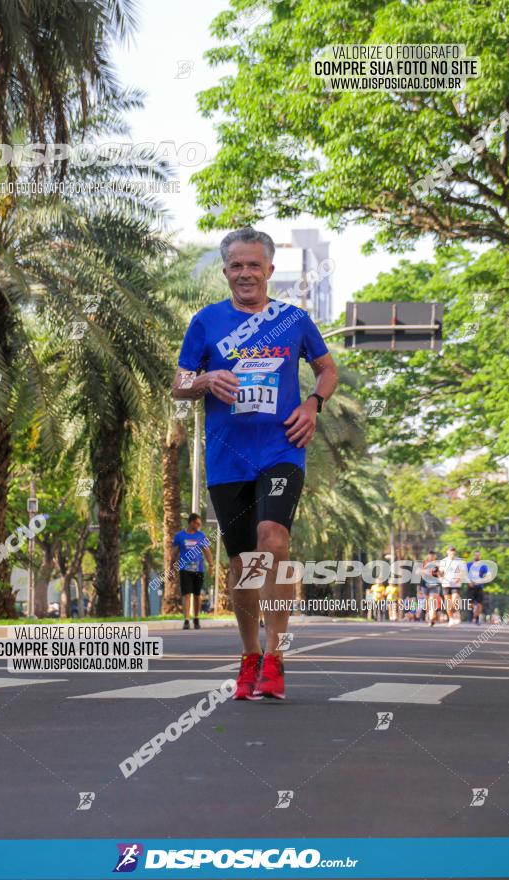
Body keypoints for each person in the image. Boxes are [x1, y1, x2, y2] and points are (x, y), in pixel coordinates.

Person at [172, 227, 338, 699]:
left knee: (274, 541)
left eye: (254, 265)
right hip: (228, 457)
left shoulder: (294, 319)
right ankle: (249, 655)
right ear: (225, 272)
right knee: (243, 563)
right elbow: (179, 383)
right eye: (236, 266)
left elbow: (327, 368)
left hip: (282, 448)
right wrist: (205, 380)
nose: (245, 273)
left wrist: (312, 406)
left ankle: (277, 657)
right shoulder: (206, 322)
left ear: (269, 270)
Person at [170, 513, 213, 630]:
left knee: (197, 595)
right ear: (191, 522)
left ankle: (197, 618)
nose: (199, 526)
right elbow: (174, 553)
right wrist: (171, 568)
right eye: (197, 523)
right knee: (186, 594)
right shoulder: (180, 536)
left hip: (198, 569)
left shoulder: (201, 536)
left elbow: (207, 551)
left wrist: (210, 565)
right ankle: (186, 620)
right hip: (184, 569)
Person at [438, 546, 466, 626]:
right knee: (448, 602)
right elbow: (440, 572)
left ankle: (456, 613)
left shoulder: (459, 561)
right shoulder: (444, 561)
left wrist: (458, 578)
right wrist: (440, 577)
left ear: (455, 552)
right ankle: (451, 619)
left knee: (455, 599)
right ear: (447, 552)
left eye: (453, 551)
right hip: (446, 584)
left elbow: (463, 572)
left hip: (456, 584)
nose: (452, 553)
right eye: (450, 551)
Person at [467, 550, 488, 624]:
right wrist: (469, 582)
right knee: (470, 603)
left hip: (479, 587)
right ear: (473, 556)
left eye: (478, 555)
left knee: (479, 603)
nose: (477, 556)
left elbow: (485, 577)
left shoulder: (483, 566)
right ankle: (472, 614)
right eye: (476, 555)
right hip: (471, 587)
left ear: (480, 556)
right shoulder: (469, 565)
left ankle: (476, 618)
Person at [421, 551, 440, 626]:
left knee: (432, 600)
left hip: (434, 584)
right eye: (430, 556)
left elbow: (442, 572)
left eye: (433, 556)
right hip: (425, 584)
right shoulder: (424, 562)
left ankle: (431, 618)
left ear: (435, 556)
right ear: (428, 556)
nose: (432, 557)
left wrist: (439, 574)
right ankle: (428, 614)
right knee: (426, 601)